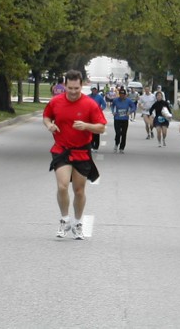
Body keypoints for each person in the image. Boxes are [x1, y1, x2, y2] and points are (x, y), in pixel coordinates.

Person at [42, 70, 107, 240]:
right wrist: (49, 125)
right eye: (70, 88)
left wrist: (86, 126)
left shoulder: (90, 104)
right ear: (64, 85)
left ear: (82, 85)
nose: (73, 92)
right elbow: (47, 117)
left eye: (76, 88)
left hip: (81, 151)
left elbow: (101, 127)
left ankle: (78, 222)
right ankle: (65, 219)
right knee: (62, 186)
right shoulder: (55, 102)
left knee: (79, 190)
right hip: (61, 149)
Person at [110, 88, 135, 153]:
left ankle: (122, 148)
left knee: (124, 134)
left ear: (125, 95)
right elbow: (112, 106)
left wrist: (129, 112)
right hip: (117, 118)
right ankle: (116, 143)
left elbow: (133, 107)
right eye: (120, 94)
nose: (122, 96)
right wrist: (113, 112)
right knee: (118, 133)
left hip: (125, 119)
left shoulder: (128, 101)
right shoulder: (116, 100)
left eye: (123, 94)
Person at [89, 86, 107, 151]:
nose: (94, 91)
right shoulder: (88, 96)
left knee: (96, 130)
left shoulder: (99, 97)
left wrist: (100, 110)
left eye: (95, 89)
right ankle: (91, 145)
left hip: (97, 116)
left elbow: (104, 105)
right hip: (89, 116)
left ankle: (96, 146)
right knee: (90, 130)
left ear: (96, 90)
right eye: (93, 89)